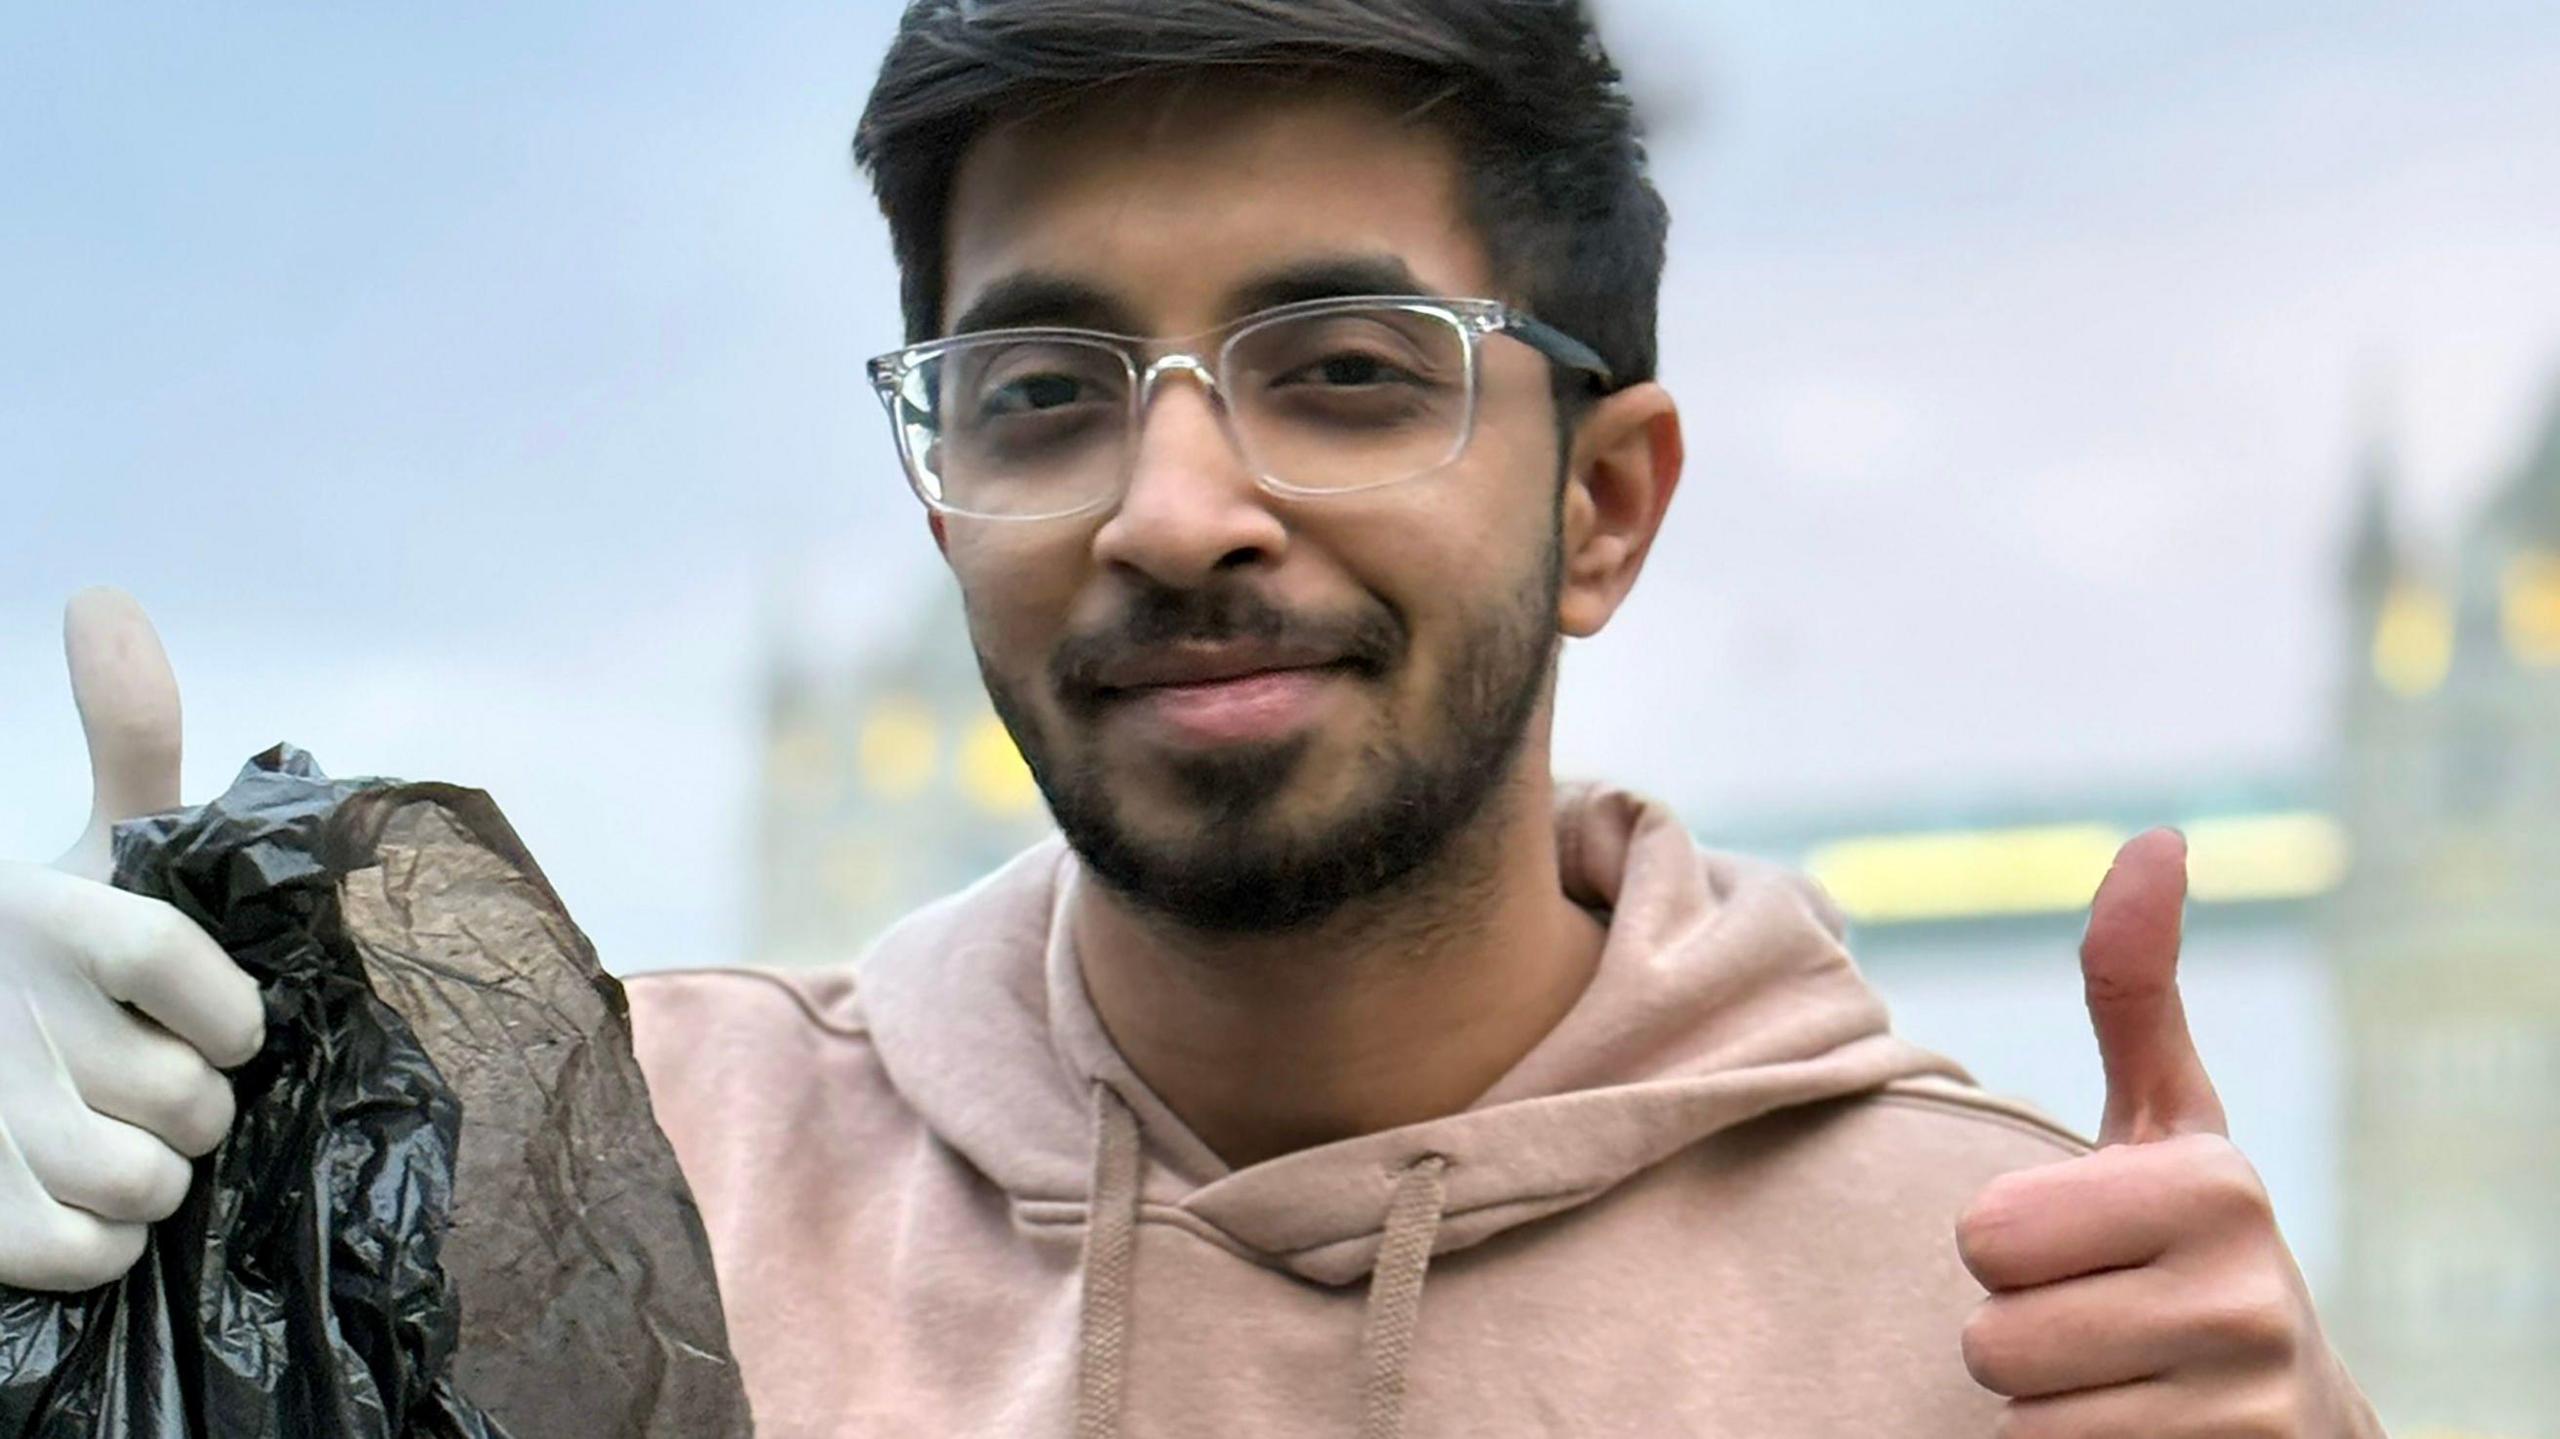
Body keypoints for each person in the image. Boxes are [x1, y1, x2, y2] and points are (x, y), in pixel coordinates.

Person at [1, 3, 2385, 1435]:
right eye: (1041, 390)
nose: (1170, 507)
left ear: (1604, 506)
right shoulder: (622, 1175)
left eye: (1344, 372)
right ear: (942, 494)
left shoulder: (2019, 1315)